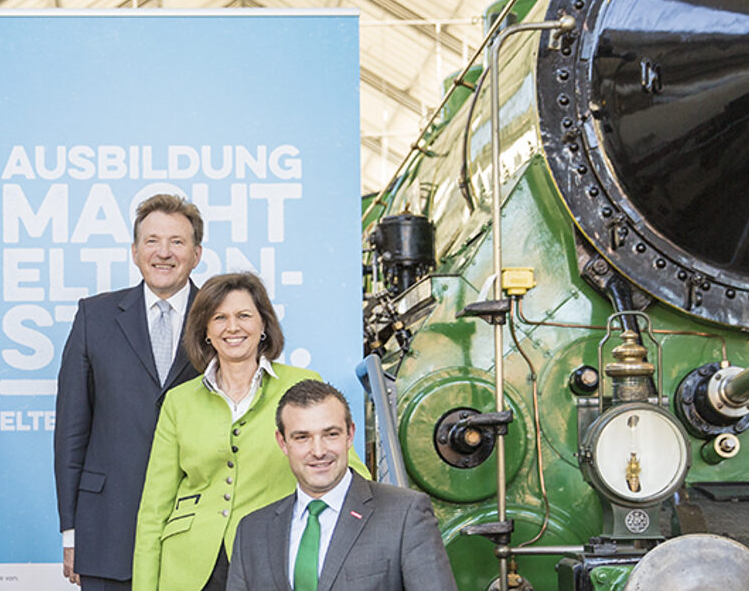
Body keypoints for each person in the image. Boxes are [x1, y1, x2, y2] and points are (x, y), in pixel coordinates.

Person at [133, 272, 369, 591]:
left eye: (244, 315)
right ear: (206, 331)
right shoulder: (178, 401)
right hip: (190, 566)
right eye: (220, 318)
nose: (233, 327)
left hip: (273, 554)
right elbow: (153, 508)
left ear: (263, 326)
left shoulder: (301, 384)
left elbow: (347, 469)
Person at [54, 193, 206, 590]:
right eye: (152, 241)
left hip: (196, 532)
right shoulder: (94, 317)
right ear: (135, 252)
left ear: (196, 254)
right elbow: (71, 431)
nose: (164, 253)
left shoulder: (221, 319)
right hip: (107, 530)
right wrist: (71, 533)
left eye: (177, 242)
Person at [227, 380, 457, 591]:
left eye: (330, 434)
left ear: (349, 435)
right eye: (302, 438)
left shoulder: (405, 514)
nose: (318, 451)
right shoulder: (251, 531)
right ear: (283, 442)